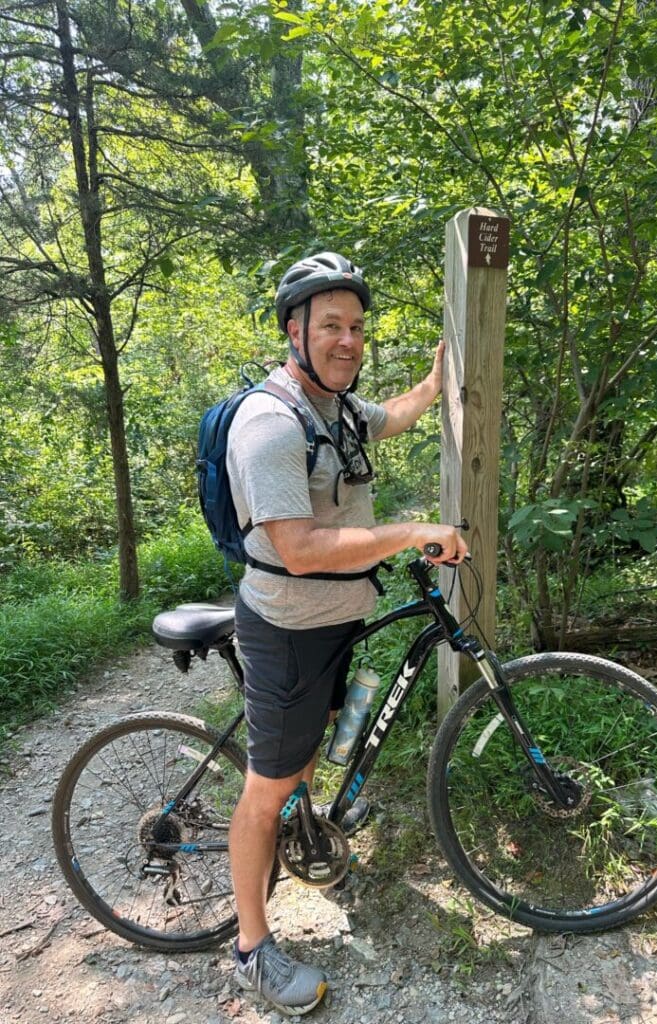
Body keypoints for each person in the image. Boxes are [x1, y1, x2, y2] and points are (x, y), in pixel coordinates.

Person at [226, 251, 467, 1016]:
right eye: (331, 325)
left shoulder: (334, 406)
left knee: (311, 749)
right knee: (266, 790)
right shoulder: (269, 423)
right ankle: (251, 948)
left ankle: (307, 836)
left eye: (356, 327)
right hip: (287, 631)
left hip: (335, 624)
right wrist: (409, 532)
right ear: (294, 330)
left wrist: (433, 385)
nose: (348, 340)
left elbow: (387, 417)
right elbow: (296, 546)